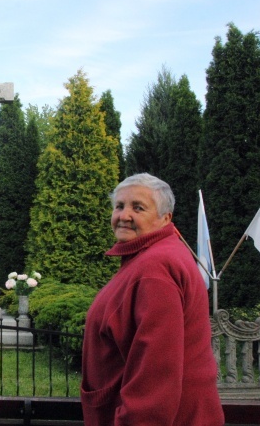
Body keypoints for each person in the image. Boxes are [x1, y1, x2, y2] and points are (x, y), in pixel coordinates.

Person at [81, 173, 224, 426]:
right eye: (119, 206)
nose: (124, 216)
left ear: (165, 218)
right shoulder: (148, 257)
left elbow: (156, 373)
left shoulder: (154, 269)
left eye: (138, 208)